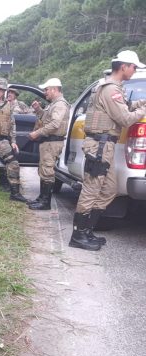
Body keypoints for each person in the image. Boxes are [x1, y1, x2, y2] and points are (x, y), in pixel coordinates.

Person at [69, 50, 146, 251]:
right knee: (91, 188)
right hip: (100, 146)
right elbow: (126, 118)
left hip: (106, 146)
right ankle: (78, 235)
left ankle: (88, 230)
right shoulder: (110, 89)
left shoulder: (113, 88)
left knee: (110, 188)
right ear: (123, 67)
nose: (134, 70)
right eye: (133, 67)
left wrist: (142, 103)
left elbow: (127, 106)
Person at [26, 78, 69, 210]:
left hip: (52, 142)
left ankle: (46, 202)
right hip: (49, 142)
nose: (45, 93)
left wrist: (37, 132)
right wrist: (39, 110)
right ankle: (41, 198)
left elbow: (55, 124)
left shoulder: (60, 104)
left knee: (47, 170)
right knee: (44, 169)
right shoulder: (54, 104)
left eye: (46, 90)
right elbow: (47, 118)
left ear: (54, 89)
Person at [0, 88, 35, 192]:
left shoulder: (21, 104)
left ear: (15, 95)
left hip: (16, 134)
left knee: (14, 158)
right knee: (2, 158)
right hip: (4, 134)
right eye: (8, 93)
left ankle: (13, 182)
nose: (9, 95)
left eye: (11, 93)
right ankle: (3, 182)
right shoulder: (3, 104)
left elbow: (31, 114)